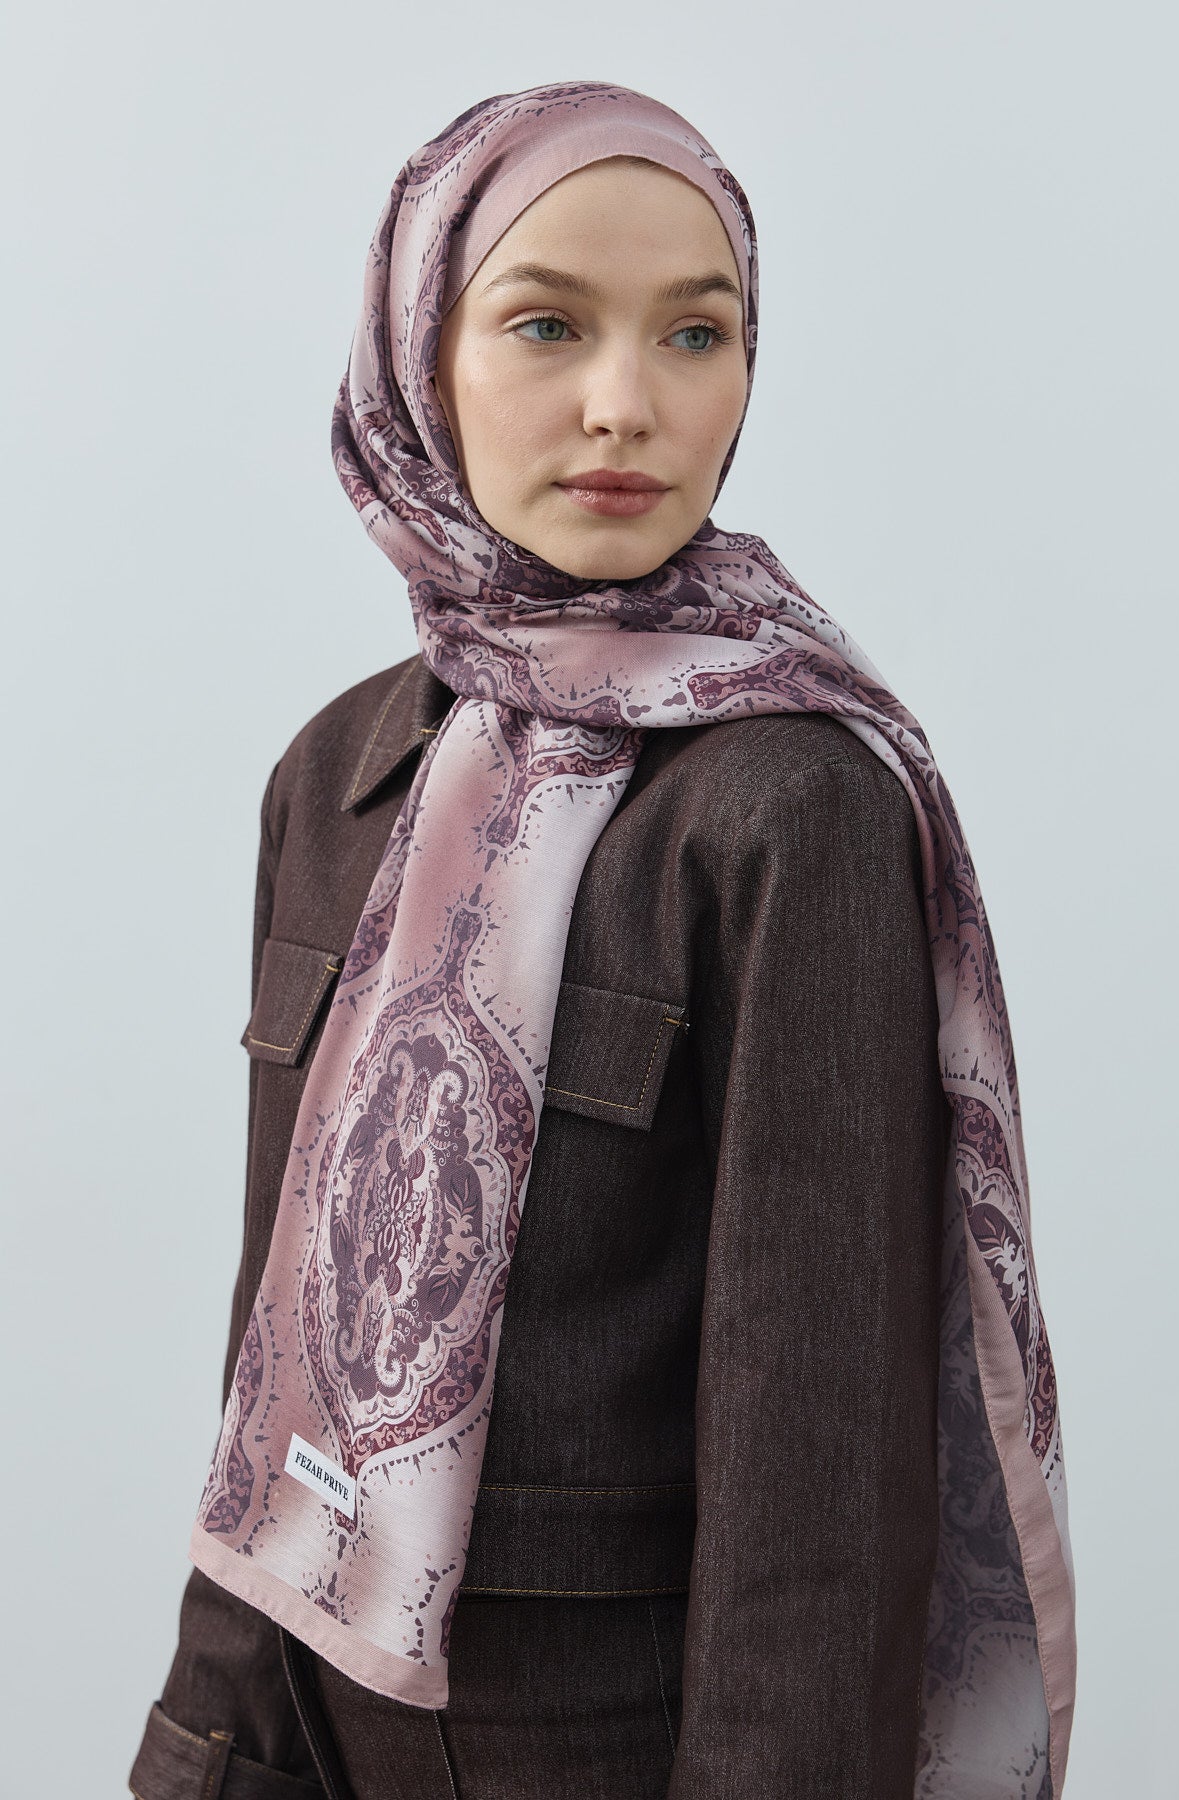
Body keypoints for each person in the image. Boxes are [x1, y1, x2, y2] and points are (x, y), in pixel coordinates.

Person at [129, 80, 1075, 1800]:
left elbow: (819, 1483)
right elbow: (277, 1351)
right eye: (547, 323)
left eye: (695, 334)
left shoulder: (791, 808)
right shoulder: (338, 774)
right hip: (322, 1734)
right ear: (419, 352)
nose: (627, 404)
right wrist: (204, 1746)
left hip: (608, 1749)